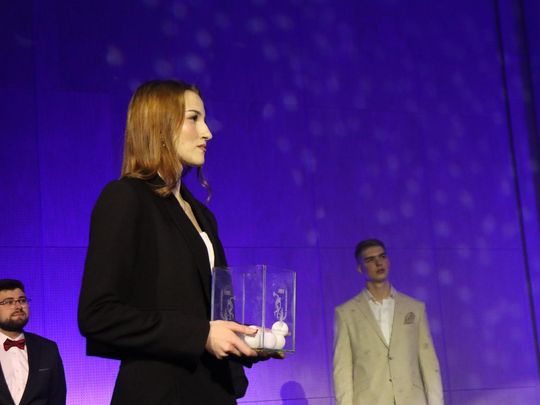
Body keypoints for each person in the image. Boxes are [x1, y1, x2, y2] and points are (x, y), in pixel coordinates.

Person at [78, 79, 269, 405]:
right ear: (159, 126)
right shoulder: (126, 198)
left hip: (213, 391)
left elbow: (206, 312)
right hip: (160, 393)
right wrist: (201, 334)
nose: (207, 132)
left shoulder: (202, 215)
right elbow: (98, 315)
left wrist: (246, 338)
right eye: (194, 118)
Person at [333, 239, 444, 405]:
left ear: (388, 261)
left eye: (382, 256)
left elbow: (429, 363)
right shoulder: (346, 313)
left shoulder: (414, 308)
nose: (378, 263)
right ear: (360, 268)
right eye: (370, 260)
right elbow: (342, 370)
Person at [0, 279, 66, 405]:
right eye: (9, 302)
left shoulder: (48, 348)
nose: (18, 307)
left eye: (22, 300)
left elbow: (57, 398)